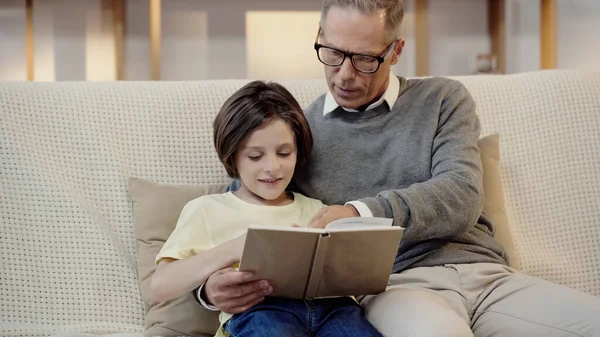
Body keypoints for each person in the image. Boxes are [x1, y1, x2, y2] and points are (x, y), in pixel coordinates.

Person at [197, 1, 600, 336]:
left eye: (365, 59)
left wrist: (358, 212)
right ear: (319, 36)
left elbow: (461, 194)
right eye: (333, 53)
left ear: (396, 50)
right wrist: (208, 290)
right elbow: (244, 200)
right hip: (397, 286)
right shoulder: (298, 131)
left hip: (489, 277)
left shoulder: (443, 98)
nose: (345, 74)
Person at [151, 80, 382, 337]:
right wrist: (236, 248)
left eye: (284, 153)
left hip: (335, 309)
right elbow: (161, 286)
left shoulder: (317, 209)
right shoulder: (207, 209)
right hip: (261, 310)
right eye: (255, 157)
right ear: (232, 157)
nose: (273, 167)